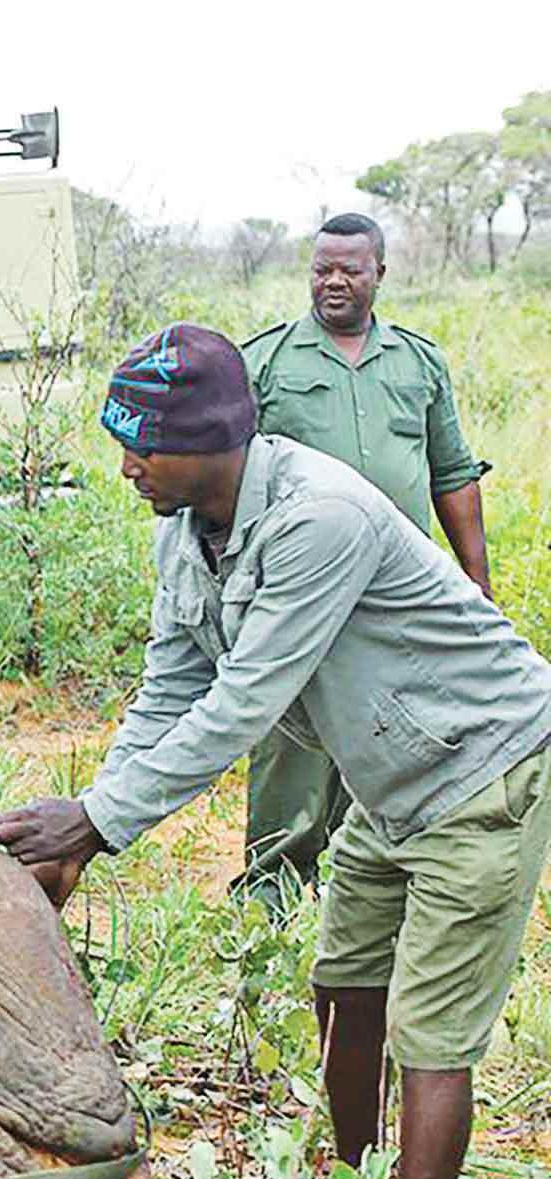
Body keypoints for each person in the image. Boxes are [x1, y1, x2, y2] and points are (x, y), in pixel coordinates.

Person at [0, 323, 551, 1179]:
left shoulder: (317, 518)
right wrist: (92, 817)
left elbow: (242, 702)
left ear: (209, 442)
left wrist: (96, 822)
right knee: (343, 987)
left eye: (141, 445)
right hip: (389, 784)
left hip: (481, 771)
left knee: (430, 1035)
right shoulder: (184, 531)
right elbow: (170, 684)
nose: (127, 467)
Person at [235, 213, 492, 909]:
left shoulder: (418, 362)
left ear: (380, 272)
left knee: (390, 734)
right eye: (323, 269)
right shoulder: (267, 363)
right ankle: (271, 898)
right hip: (300, 590)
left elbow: (452, 473)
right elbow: (231, 481)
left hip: (399, 599)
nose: (335, 281)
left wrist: (476, 585)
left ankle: (363, 890)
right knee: (293, 744)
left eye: (351, 268)